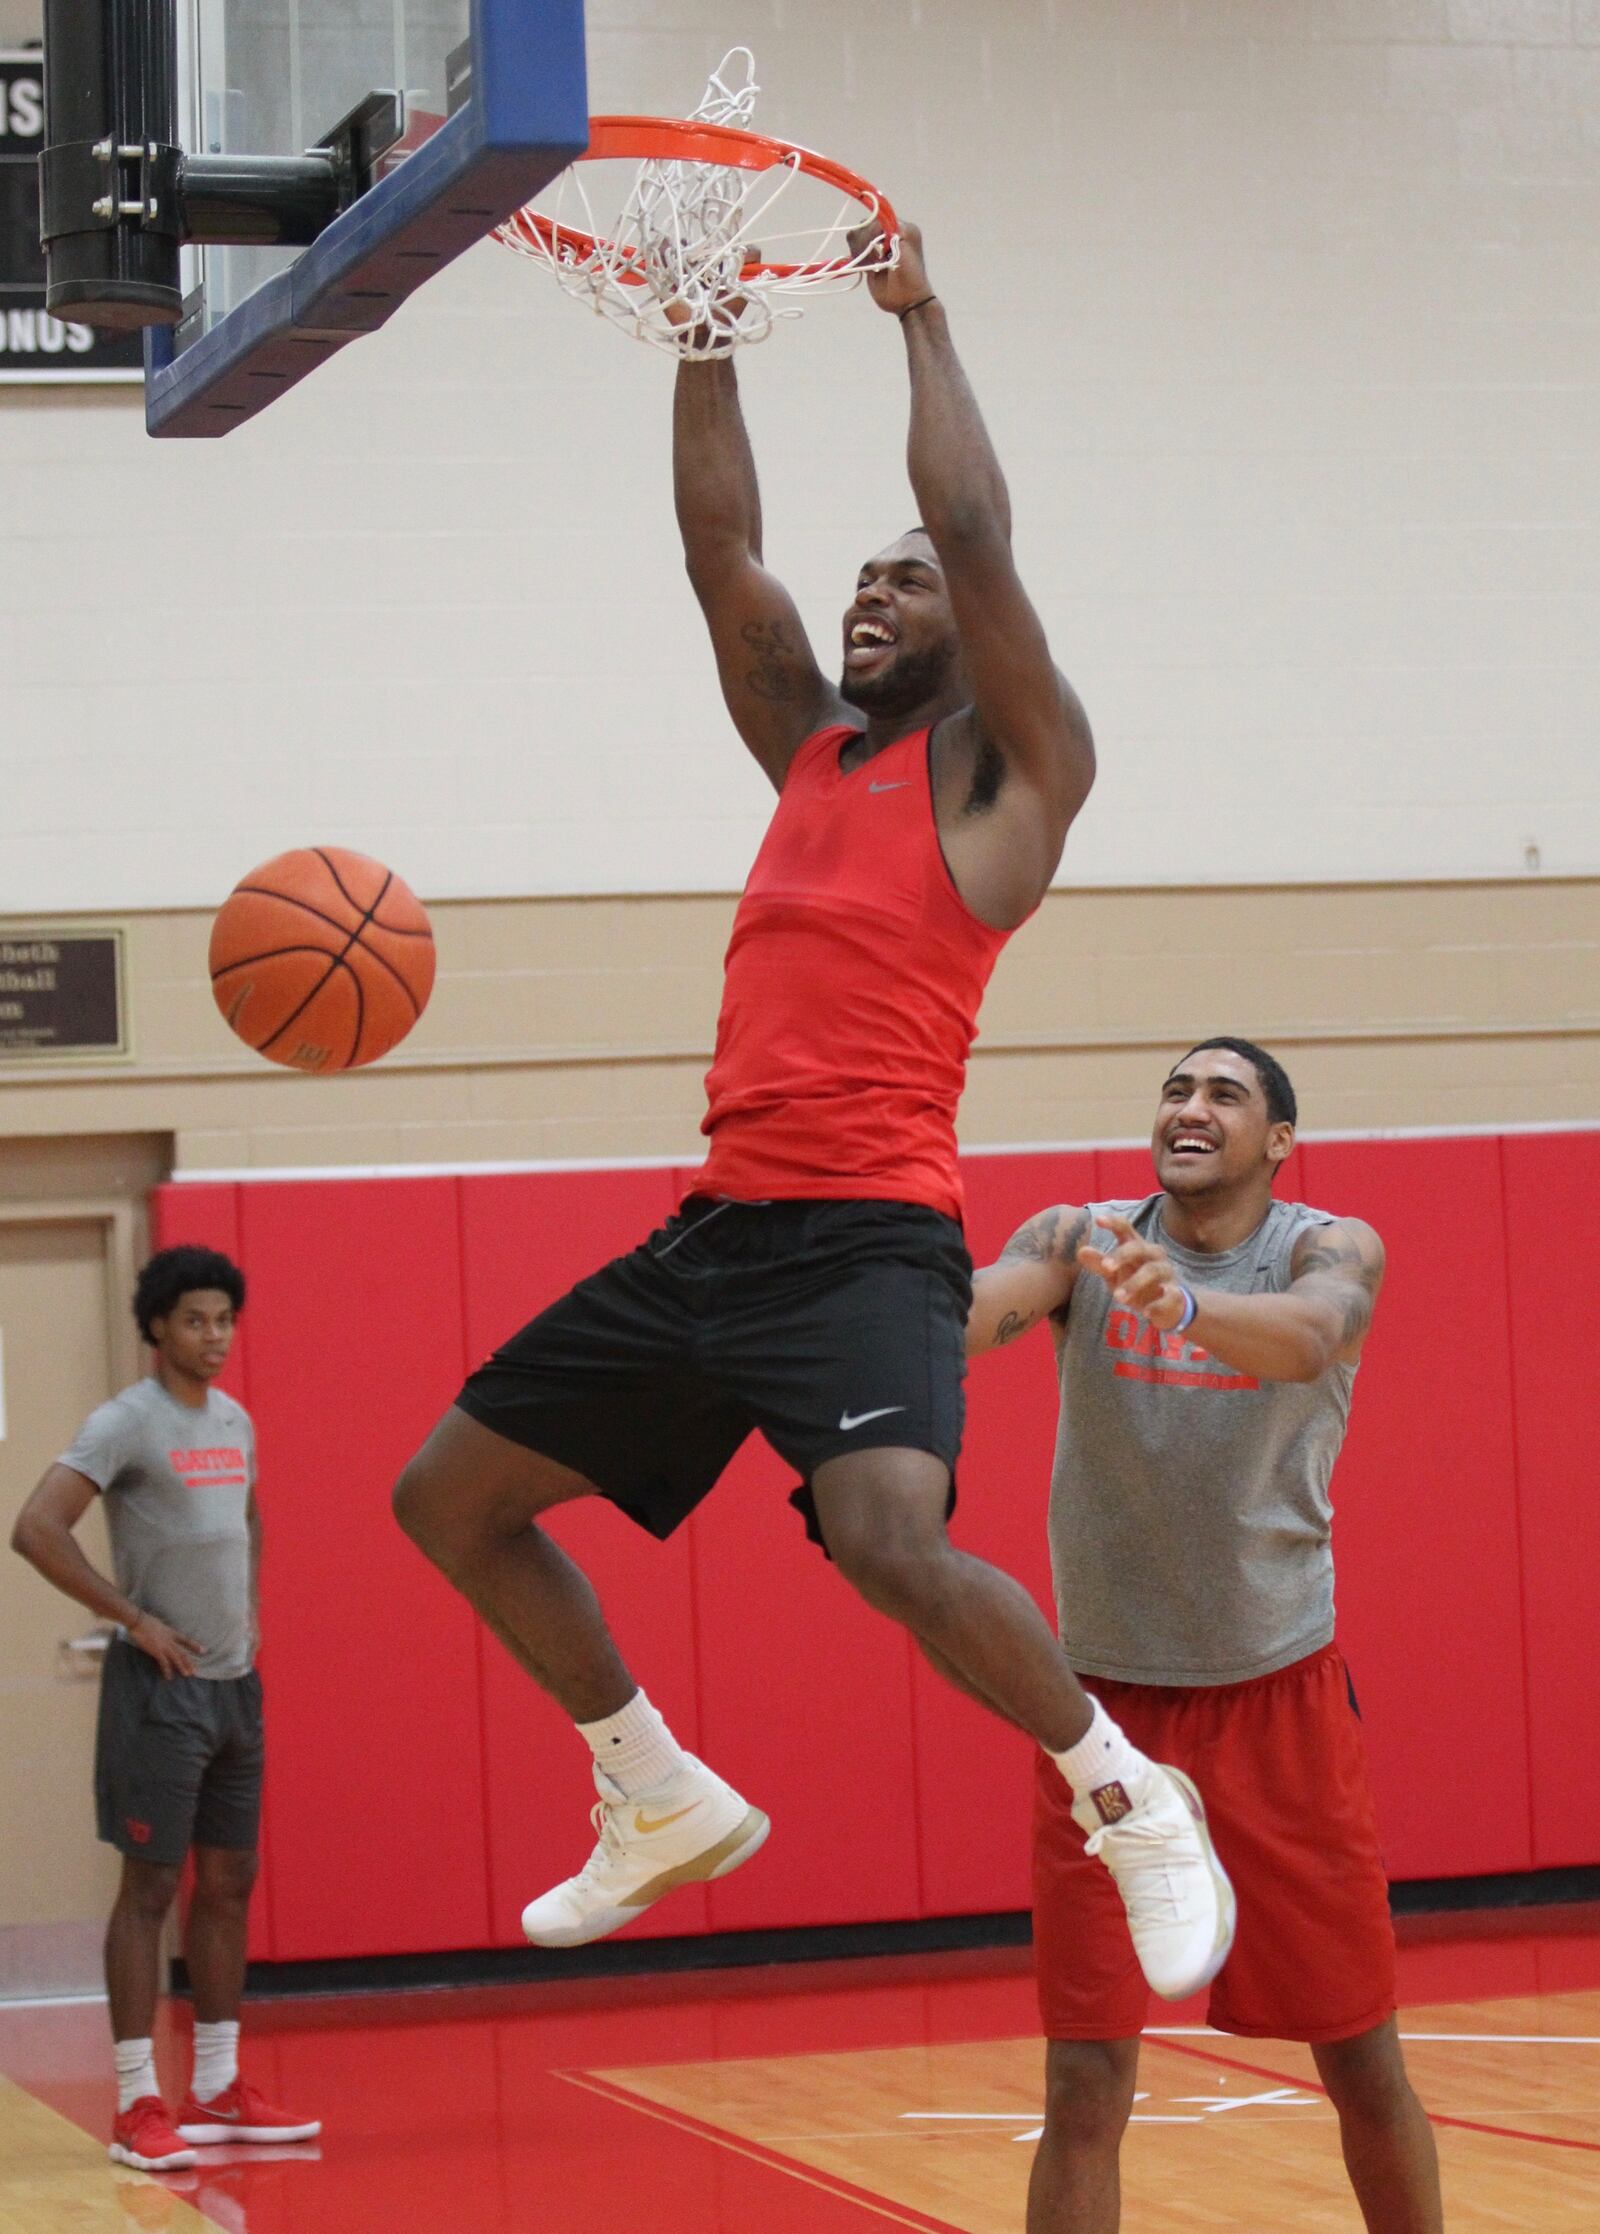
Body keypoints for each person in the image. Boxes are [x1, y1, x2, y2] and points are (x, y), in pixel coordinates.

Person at [393, 223, 1233, 2001]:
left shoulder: (1015, 773)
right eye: (869, 575)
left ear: (979, 627)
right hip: (718, 1227)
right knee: (448, 1496)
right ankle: (653, 1785)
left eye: (908, 581)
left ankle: (1125, 1789)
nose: (877, 591)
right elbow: (721, 551)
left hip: (868, 1233)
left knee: (887, 1540)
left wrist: (920, 311)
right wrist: (706, 329)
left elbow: (984, 530)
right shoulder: (810, 754)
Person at [966, 1036, 1445, 2234]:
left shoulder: (1327, 1246)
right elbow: (979, 1312)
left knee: (1358, 2054)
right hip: (1101, 1725)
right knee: (1083, 2073)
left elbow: (1310, 1336)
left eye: (1223, 1093)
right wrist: (884, 1296)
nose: (1190, 1107)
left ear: (1277, 1139)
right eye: (1176, 1090)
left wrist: (1181, 1301)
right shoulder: (1080, 1236)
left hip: (1275, 1693)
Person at [10, 1245, 319, 2174]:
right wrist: (132, 1617)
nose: (213, 1335)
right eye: (194, 1319)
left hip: (236, 1687)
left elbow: (248, 1519)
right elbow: (33, 1528)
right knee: (148, 1891)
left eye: (225, 1318)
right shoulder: (125, 1424)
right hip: (161, 1693)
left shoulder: (234, 1419)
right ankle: (137, 2101)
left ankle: (218, 2086)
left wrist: (251, 1611)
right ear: (155, 1327)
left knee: (227, 1885)